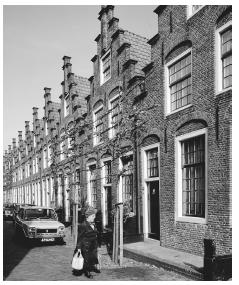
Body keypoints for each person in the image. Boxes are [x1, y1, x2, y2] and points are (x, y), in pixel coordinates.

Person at [74, 206, 100, 279]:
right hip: (86, 245)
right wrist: (78, 247)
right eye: (93, 216)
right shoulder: (83, 225)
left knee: (93, 257)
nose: (94, 217)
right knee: (87, 259)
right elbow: (80, 237)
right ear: (88, 216)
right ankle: (87, 271)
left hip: (93, 244)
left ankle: (93, 267)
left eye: (94, 216)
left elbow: (95, 233)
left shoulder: (93, 224)